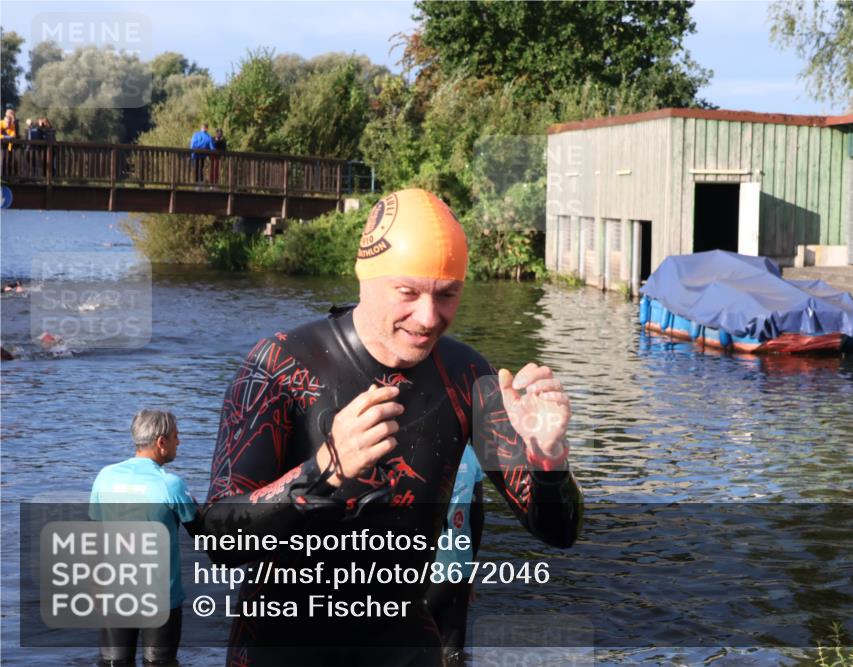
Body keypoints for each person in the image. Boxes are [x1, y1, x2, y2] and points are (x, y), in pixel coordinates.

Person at [201, 188, 583, 666]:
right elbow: (218, 537)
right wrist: (324, 472)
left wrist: (548, 456)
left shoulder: (467, 375)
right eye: (408, 293)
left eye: (447, 295)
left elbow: (558, 530)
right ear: (368, 277)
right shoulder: (279, 365)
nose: (428, 318)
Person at [90, 409, 201, 666]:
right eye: (176, 436)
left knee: (113, 663)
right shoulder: (171, 484)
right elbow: (204, 536)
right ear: (161, 442)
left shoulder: (104, 476)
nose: (179, 442)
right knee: (159, 663)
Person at [424, 444, 484, 664]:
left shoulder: (412, 449)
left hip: (421, 575)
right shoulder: (469, 454)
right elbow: (477, 519)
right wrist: (469, 572)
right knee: (453, 652)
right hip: (458, 570)